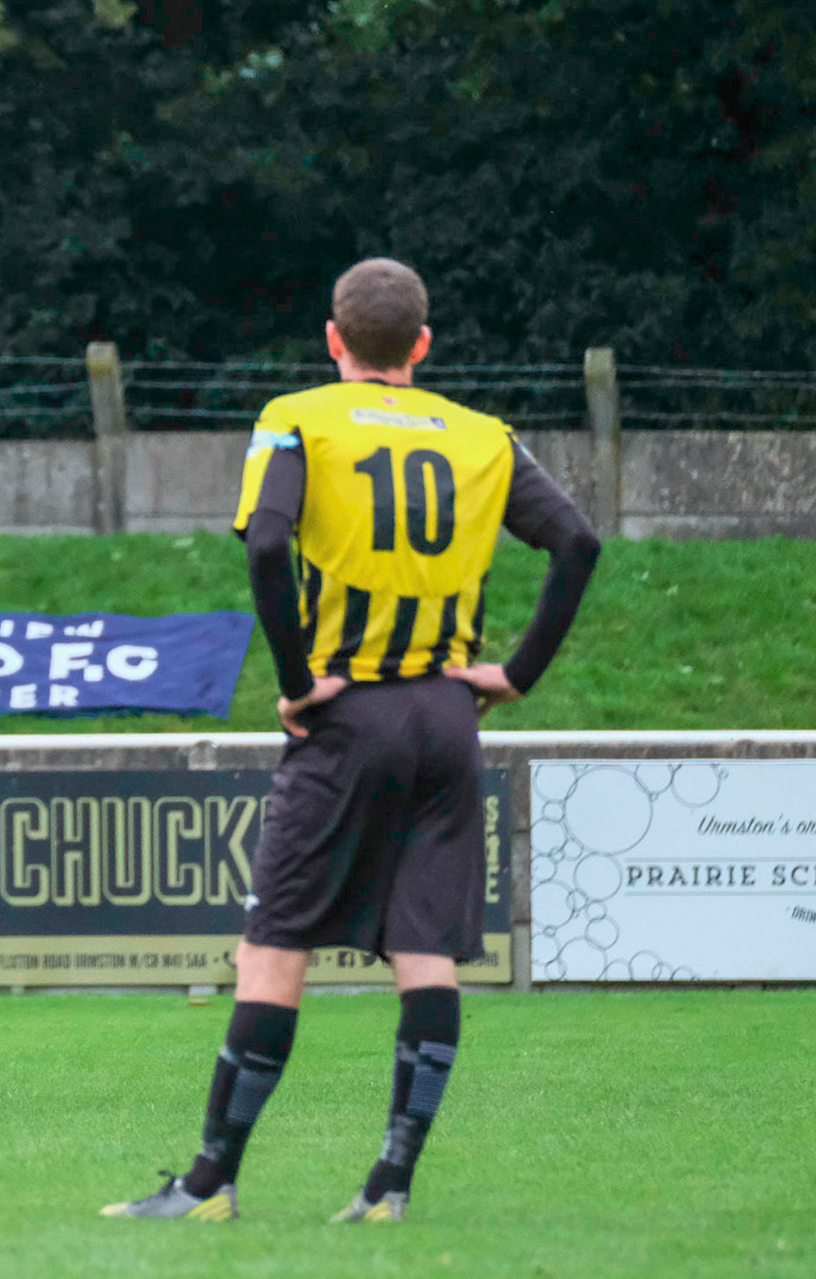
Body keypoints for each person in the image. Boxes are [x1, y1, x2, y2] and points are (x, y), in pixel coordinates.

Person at [103, 258, 601, 1224]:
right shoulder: (485, 436)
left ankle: (209, 1184)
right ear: (422, 345)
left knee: (274, 948)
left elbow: (264, 543)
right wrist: (518, 672)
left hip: (350, 715)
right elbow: (577, 541)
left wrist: (297, 684)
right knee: (427, 955)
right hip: (448, 720)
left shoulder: (299, 416)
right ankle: (390, 1186)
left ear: (334, 340)